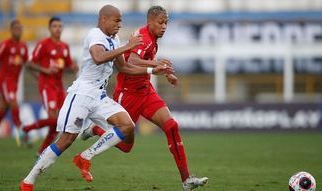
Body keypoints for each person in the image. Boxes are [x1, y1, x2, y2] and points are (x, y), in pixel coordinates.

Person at [19, 5, 173, 191]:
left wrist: (151, 70)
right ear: (104, 20)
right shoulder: (95, 35)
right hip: (82, 94)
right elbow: (99, 57)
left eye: (121, 21)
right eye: (116, 21)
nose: (119, 24)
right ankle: (28, 180)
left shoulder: (114, 39)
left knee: (127, 125)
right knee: (66, 140)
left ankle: (85, 156)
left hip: (99, 95)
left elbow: (124, 68)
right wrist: (128, 46)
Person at [81, 5, 208, 191]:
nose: (164, 26)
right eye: (160, 22)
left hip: (146, 92)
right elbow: (131, 61)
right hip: (128, 94)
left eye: (166, 23)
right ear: (150, 22)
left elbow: (148, 64)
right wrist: (157, 64)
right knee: (125, 146)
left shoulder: (152, 38)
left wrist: (165, 72)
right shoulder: (144, 37)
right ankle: (95, 129)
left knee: (171, 126)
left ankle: (186, 180)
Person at [22, 17, 78, 155]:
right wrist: (45, 71)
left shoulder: (65, 47)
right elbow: (29, 63)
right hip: (47, 86)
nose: (57, 29)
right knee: (53, 119)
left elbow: (67, 66)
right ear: (49, 28)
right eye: (54, 26)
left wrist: (73, 67)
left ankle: (41, 152)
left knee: (58, 122)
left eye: (60, 26)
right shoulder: (43, 44)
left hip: (59, 85)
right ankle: (27, 129)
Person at [0, 19, 28, 150]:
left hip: (14, 82)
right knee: (13, 101)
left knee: (2, 111)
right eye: (16, 28)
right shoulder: (5, 44)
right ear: (11, 30)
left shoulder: (23, 46)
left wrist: (39, 74)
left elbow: (27, 63)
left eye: (20, 28)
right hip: (5, 80)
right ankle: (20, 129)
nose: (18, 31)